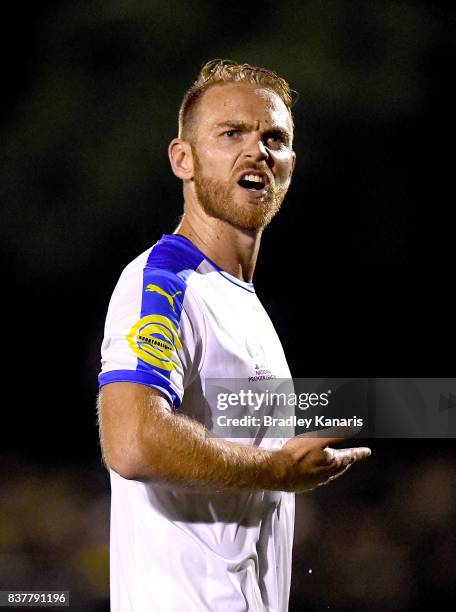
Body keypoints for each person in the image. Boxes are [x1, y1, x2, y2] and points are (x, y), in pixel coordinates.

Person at [97, 59, 371, 612]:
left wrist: (409, 408)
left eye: (275, 138)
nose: (258, 151)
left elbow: (229, 437)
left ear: (292, 162)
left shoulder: (243, 303)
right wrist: (278, 472)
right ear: (184, 159)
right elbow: (130, 440)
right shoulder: (165, 282)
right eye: (232, 134)